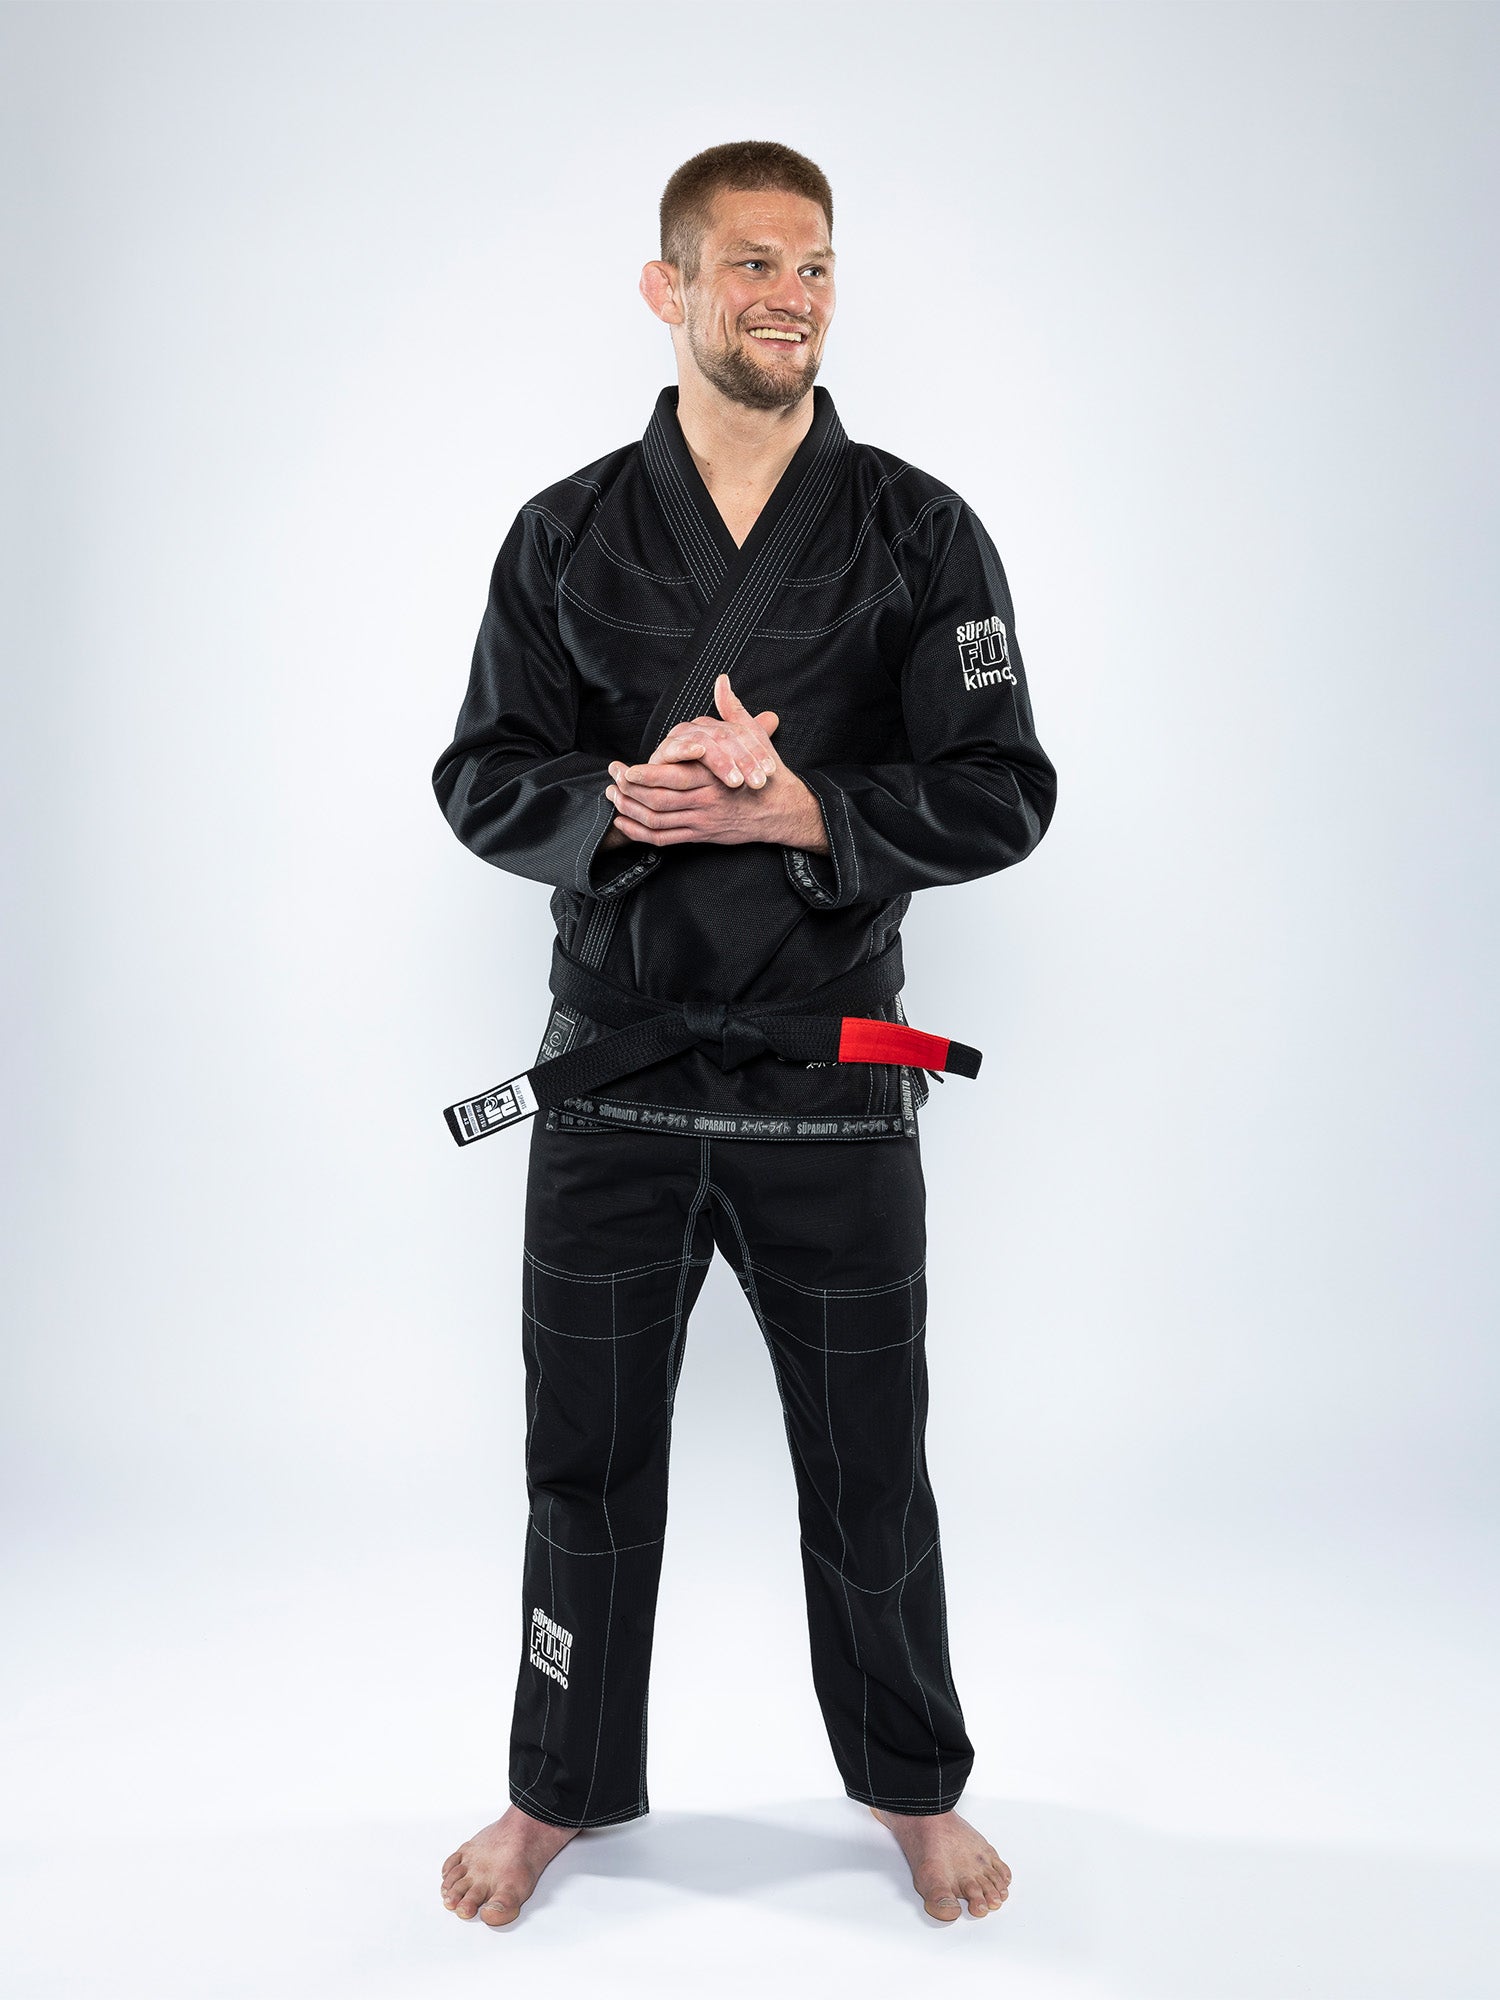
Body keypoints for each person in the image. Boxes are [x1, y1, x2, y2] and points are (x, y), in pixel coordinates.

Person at [433, 140, 1055, 1926]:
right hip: (614, 1078)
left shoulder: (922, 532)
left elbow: (1003, 791)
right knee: (588, 1462)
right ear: (672, 289)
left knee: (872, 1470)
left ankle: (913, 1788)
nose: (792, 295)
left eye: (817, 268)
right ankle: (556, 1790)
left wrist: (804, 813)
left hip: (834, 1080)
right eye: (757, 265)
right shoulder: (564, 531)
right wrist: (617, 802)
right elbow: (479, 775)